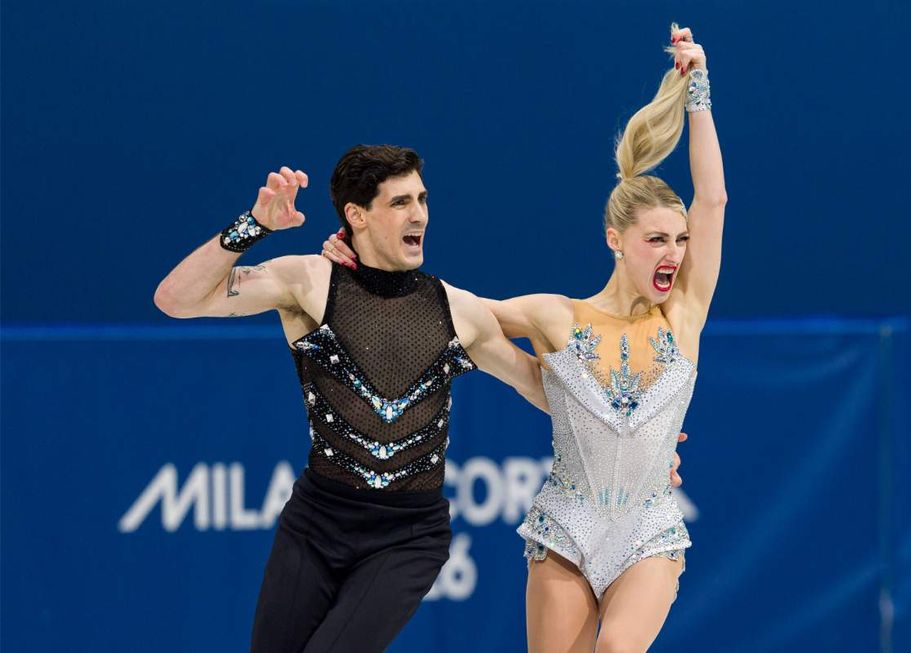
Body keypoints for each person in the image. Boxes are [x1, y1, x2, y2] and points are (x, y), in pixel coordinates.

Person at [324, 21, 723, 653]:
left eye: (679, 240)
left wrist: (697, 88)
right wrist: (366, 260)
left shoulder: (685, 317)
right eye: (657, 239)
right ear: (616, 242)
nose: (674, 252)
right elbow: (460, 311)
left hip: (648, 527)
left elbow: (715, 200)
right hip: (567, 524)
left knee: (616, 649)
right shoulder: (556, 317)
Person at [153, 146, 550, 652]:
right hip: (315, 524)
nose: (420, 214)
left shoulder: (458, 310)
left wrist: (641, 447)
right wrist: (255, 224)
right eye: (401, 201)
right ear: (356, 216)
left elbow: (539, 387)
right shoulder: (307, 282)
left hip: (407, 537)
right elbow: (175, 299)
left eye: (422, 199)